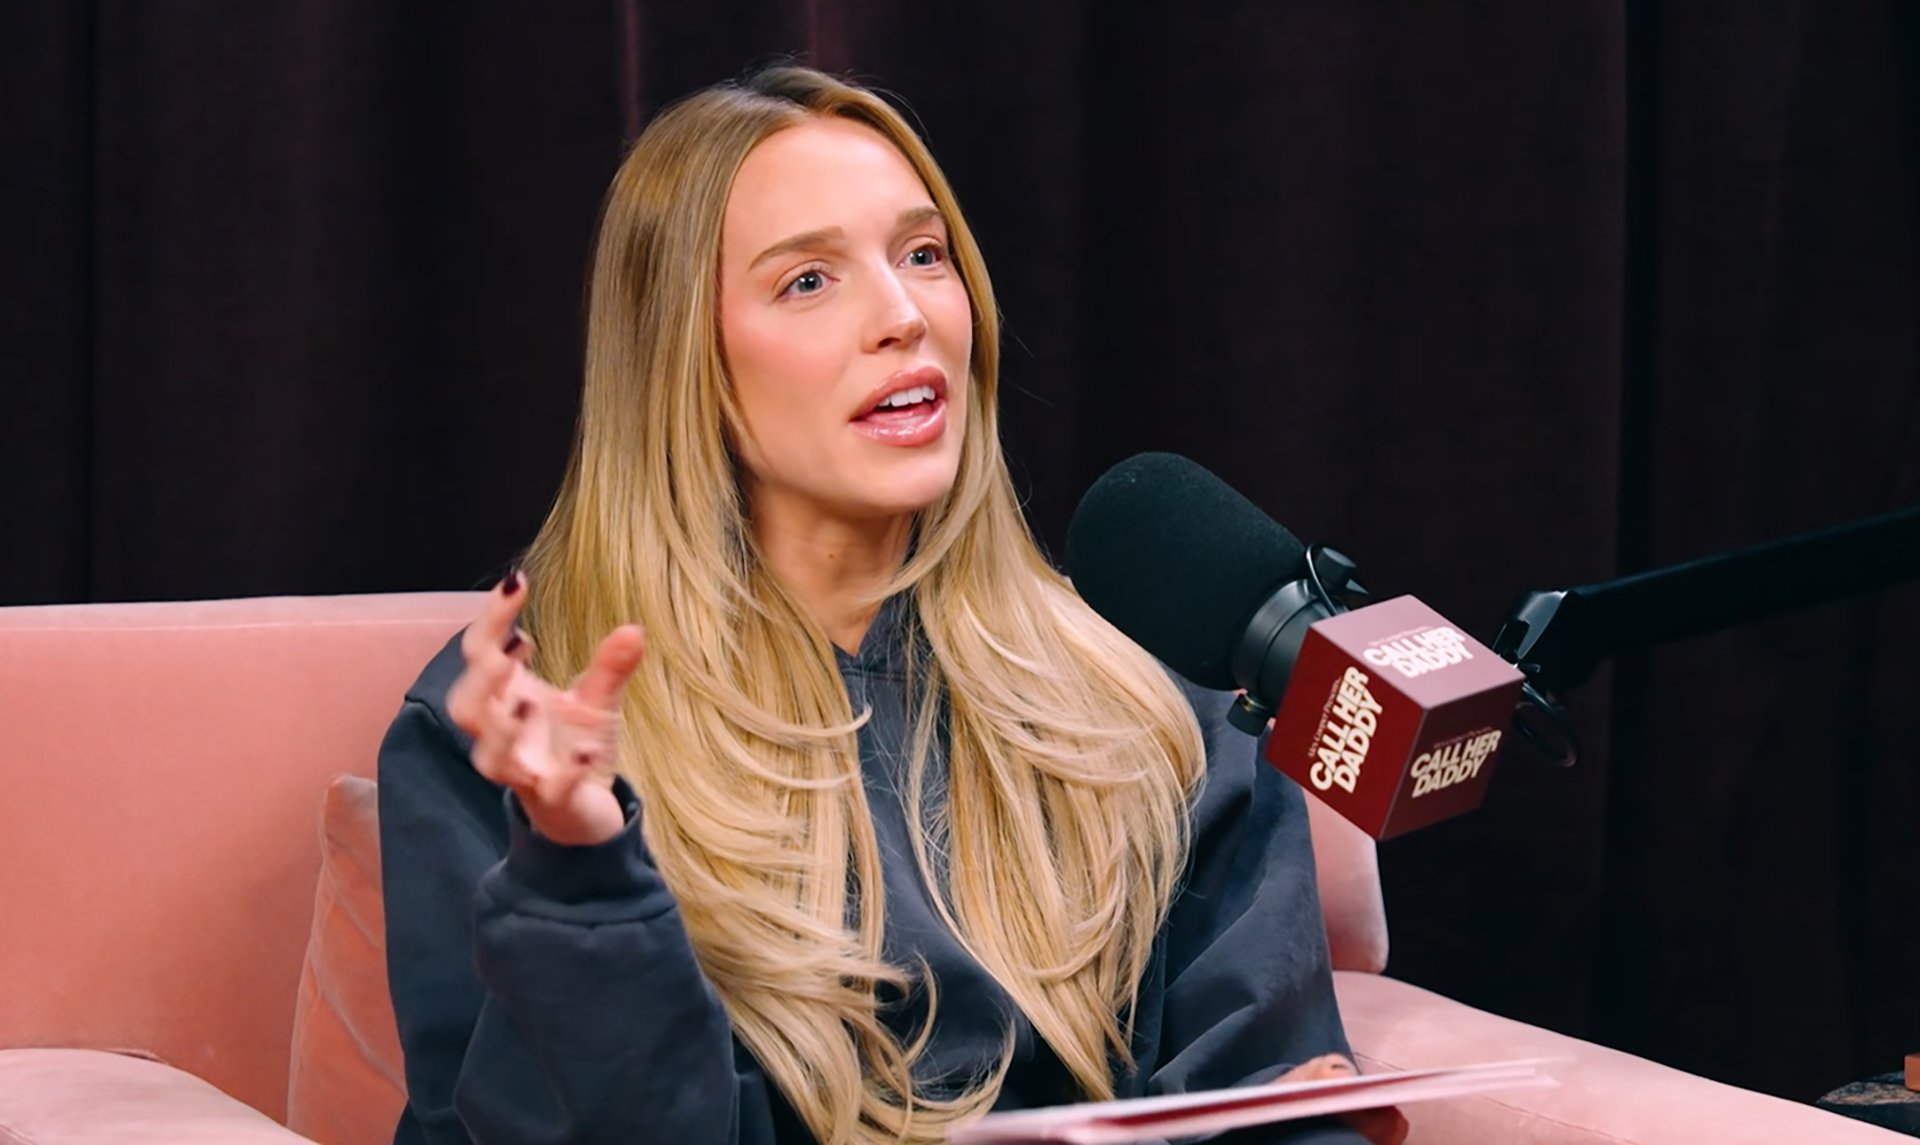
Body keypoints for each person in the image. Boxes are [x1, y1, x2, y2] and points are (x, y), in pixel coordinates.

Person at [376, 65, 1406, 1145]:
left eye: (923, 255)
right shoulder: (515, 738)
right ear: (682, 358)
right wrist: (582, 878)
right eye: (807, 281)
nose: (904, 316)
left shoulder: (1163, 707)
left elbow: (1267, 1101)